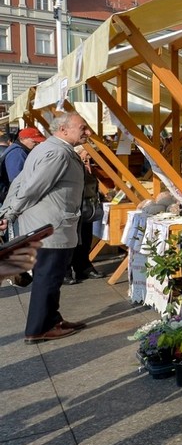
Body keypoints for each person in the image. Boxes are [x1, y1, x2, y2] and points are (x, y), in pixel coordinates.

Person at [0, 111, 92, 343]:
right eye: (83, 128)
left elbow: (20, 182)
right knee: (48, 277)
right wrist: (9, 213)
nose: (87, 132)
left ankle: (52, 319)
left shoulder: (47, 149)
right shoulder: (57, 153)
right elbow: (31, 187)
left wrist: (6, 211)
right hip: (51, 226)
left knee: (51, 275)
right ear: (64, 129)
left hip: (51, 223)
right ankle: (39, 328)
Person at [68, 146, 106, 283]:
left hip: (85, 206)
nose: (89, 157)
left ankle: (83, 268)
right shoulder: (70, 163)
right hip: (71, 206)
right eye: (87, 154)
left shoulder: (86, 165)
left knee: (85, 238)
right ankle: (66, 271)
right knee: (70, 239)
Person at [2, 127, 46, 206]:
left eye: (38, 142)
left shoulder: (19, 150)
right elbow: (16, 181)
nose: (37, 144)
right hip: (13, 199)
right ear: (23, 139)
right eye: (34, 141)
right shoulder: (17, 153)